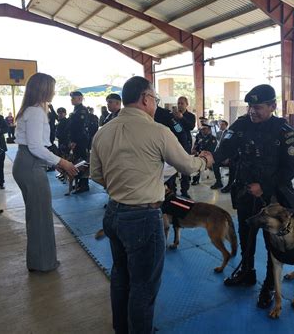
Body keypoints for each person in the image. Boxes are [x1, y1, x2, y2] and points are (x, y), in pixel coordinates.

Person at [90, 76, 213, 334]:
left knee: (121, 278)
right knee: (144, 286)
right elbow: (187, 166)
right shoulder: (158, 131)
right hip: (143, 217)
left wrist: (122, 184)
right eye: (155, 100)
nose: (156, 105)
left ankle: (121, 329)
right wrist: (204, 160)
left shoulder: (103, 132)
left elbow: (96, 175)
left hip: (113, 213)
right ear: (146, 99)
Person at [211, 84, 294, 309]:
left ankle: (270, 283)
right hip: (244, 193)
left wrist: (264, 186)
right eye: (250, 106)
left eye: (258, 107)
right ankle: (247, 271)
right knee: (246, 233)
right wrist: (208, 158)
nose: (253, 111)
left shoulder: (284, 131)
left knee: (273, 241)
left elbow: (291, 168)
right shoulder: (241, 125)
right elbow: (224, 149)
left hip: (272, 198)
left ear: (272, 106)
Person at [12, 73, 78, 272]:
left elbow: (36, 147)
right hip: (31, 165)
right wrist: (63, 162)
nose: (54, 91)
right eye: (52, 87)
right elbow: (35, 146)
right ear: (43, 89)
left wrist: (53, 163)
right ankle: (43, 263)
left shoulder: (31, 110)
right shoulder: (35, 112)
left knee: (36, 216)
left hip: (28, 164)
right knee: (40, 217)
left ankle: (38, 261)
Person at [154, 105, 190, 196]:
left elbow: (180, 132)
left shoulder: (165, 114)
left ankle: (183, 191)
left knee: (180, 172)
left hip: (172, 149)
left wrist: (182, 152)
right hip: (156, 154)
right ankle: (171, 192)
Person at [170, 96, 196, 197]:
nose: (180, 105)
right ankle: (172, 189)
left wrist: (182, 118)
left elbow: (191, 126)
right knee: (172, 166)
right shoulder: (172, 116)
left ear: (186, 104)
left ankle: (184, 190)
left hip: (186, 144)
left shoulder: (190, 116)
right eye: (178, 103)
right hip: (173, 143)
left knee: (185, 166)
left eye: (182, 103)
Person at [68, 91, 90, 193]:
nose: (72, 100)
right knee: (77, 162)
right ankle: (78, 183)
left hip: (81, 141)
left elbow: (80, 128)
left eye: (74, 98)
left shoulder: (82, 111)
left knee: (82, 162)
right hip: (76, 140)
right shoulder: (76, 110)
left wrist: (75, 141)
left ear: (80, 99)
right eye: (71, 98)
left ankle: (84, 184)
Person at [211, 120, 229, 189]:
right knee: (214, 163)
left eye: (223, 124)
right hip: (218, 152)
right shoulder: (218, 133)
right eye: (220, 124)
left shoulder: (228, 133)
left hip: (226, 154)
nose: (221, 126)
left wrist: (227, 158)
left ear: (226, 126)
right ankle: (218, 182)